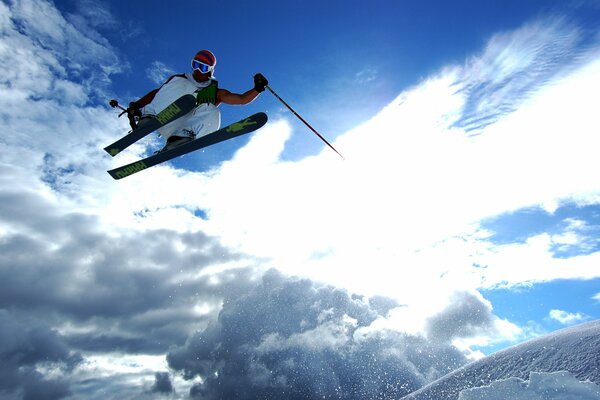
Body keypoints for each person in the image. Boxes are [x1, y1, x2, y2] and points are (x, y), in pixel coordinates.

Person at [127, 49, 269, 152]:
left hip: (180, 129)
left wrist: (257, 89)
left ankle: (180, 139)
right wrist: (136, 106)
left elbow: (241, 99)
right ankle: (148, 117)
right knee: (179, 82)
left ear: (210, 71)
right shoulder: (179, 79)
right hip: (162, 116)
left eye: (203, 67)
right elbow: (157, 93)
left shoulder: (214, 92)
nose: (198, 71)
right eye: (195, 65)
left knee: (212, 110)